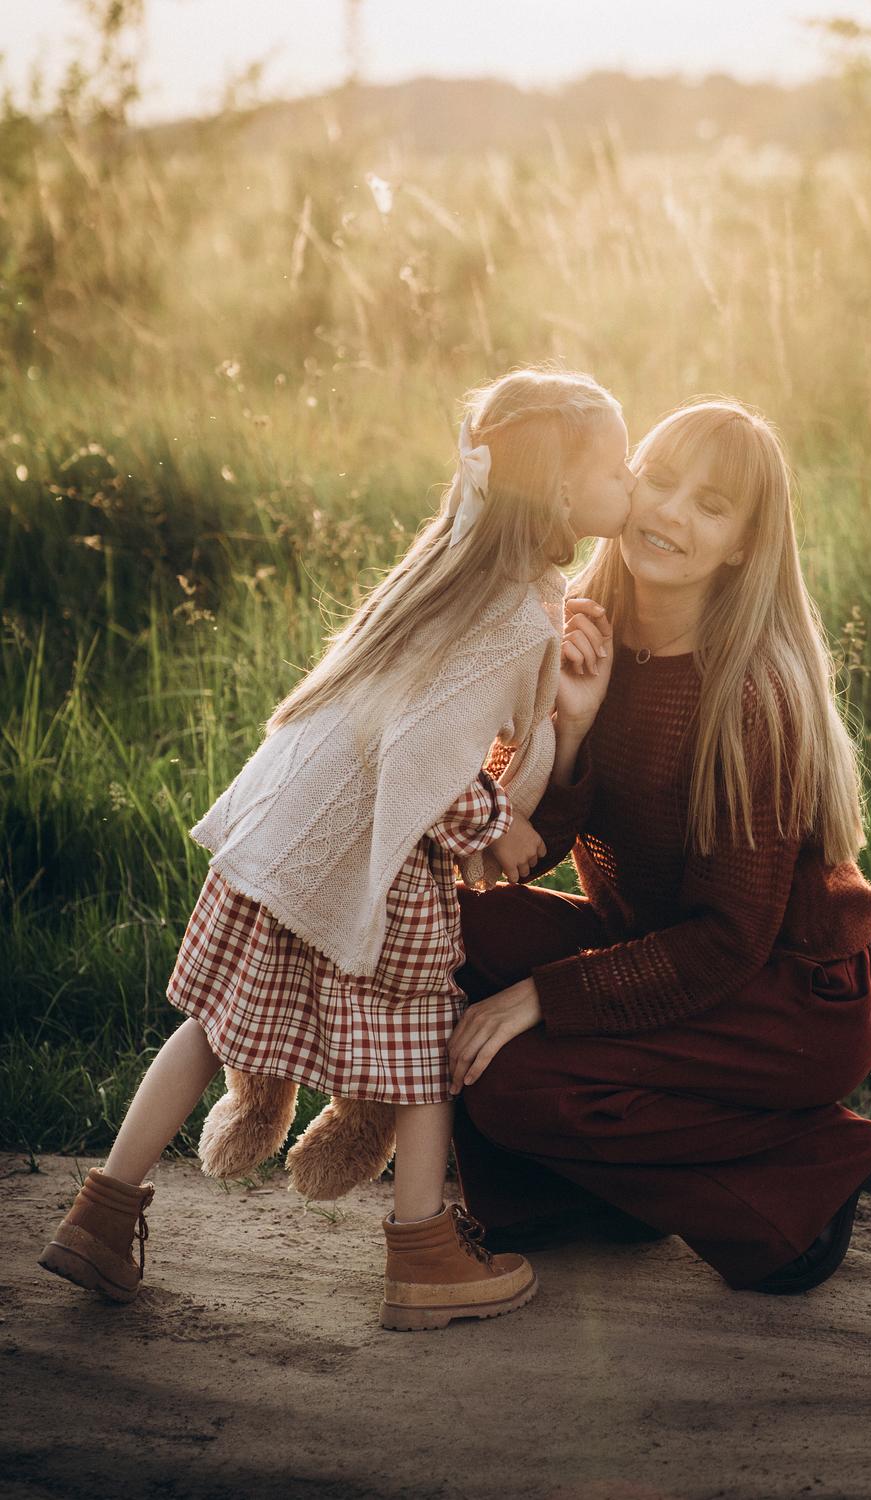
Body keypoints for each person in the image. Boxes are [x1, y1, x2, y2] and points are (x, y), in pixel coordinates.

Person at [39, 367, 636, 1331]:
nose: (631, 484)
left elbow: (419, 732)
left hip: (285, 838)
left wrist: (561, 714)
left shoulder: (451, 559)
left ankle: (101, 1213)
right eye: (615, 468)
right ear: (561, 490)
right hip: (369, 861)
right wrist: (500, 822)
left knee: (211, 1025)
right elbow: (426, 762)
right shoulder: (514, 608)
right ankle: (426, 1260)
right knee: (421, 1055)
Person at [446, 396, 871, 1295]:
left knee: (512, 1085)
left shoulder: (749, 695)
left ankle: (807, 1173)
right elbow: (517, 850)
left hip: (790, 996)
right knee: (442, 925)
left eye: (712, 504)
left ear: (742, 546)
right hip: (659, 949)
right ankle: (578, 1194)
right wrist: (570, 733)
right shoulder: (589, 624)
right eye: (658, 479)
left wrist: (546, 995)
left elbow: (730, 940)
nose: (669, 512)